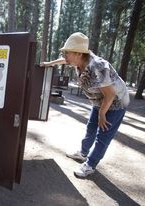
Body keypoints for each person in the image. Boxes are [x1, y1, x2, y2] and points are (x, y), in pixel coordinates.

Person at [40, 32, 130, 178]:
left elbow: (110, 94)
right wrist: (49, 64)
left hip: (115, 103)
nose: (65, 55)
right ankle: (83, 153)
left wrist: (102, 114)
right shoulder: (79, 62)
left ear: (78, 53)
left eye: (67, 53)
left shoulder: (98, 66)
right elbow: (64, 61)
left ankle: (90, 165)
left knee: (103, 135)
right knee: (91, 127)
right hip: (100, 101)